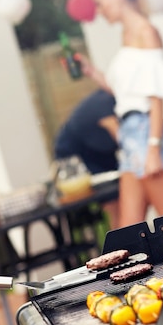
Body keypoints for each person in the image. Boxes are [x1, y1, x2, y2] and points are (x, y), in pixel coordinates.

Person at [80, 0, 163, 228]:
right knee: (129, 232)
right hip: (130, 136)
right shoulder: (127, 35)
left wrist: (153, 149)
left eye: (100, 3)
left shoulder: (147, 32)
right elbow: (126, 94)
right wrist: (93, 72)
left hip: (147, 133)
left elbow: (156, 97)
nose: (99, 11)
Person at [54, 89, 120, 229]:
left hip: (101, 153)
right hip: (76, 160)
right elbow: (125, 141)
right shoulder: (103, 103)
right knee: (115, 205)